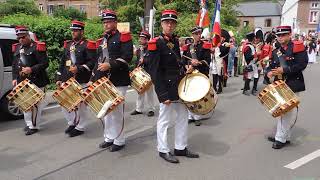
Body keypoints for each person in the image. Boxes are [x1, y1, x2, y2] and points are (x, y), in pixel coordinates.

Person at [148, 9, 199, 164]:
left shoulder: (175, 41)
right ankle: (163, 149)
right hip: (167, 88)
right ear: (162, 24)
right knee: (164, 120)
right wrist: (162, 95)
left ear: (175, 25)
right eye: (166, 22)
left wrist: (186, 68)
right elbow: (154, 71)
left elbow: (177, 63)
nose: (169, 25)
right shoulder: (155, 43)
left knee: (183, 117)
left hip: (179, 85)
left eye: (172, 22)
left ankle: (180, 147)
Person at [89, 9, 133, 152]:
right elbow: (98, 61)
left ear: (115, 22)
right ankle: (109, 137)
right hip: (103, 80)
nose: (106, 24)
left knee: (117, 112)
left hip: (119, 79)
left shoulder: (123, 37)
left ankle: (119, 140)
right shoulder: (101, 41)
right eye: (105, 22)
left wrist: (111, 64)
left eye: (109, 21)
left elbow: (128, 56)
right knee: (106, 111)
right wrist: (92, 79)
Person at [266, 26, 308, 149]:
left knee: (287, 112)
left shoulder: (297, 47)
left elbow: (301, 65)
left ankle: (280, 138)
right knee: (281, 111)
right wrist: (269, 72)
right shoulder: (276, 51)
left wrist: (284, 69)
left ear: (289, 35)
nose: (280, 37)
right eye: (278, 35)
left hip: (293, 83)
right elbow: (271, 65)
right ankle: (284, 136)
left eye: (283, 35)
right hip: (279, 84)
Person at [56, 20, 97, 137]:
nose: (73, 32)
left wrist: (79, 68)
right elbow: (63, 62)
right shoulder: (68, 45)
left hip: (81, 80)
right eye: (72, 30)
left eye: (76, 30)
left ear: (82, 32)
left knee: (80, 106)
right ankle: (72, 122)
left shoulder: (88, 45)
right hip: (67, 79)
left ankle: (80, 127)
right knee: (65, 104)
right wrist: (59, 77)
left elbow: (92, 63)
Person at [12, 26, 50, 135]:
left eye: (23, 37)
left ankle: (34, 126)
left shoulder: (37, 47)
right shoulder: (17, 47)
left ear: (28, 36)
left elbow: (45, 63)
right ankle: (29, 124)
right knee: (25, 104)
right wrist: (14, 78)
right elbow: (15, 65)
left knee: (35, 105)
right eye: (18, 38)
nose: (21, 40)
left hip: (36, 80)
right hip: (22, 80)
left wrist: (31, 69)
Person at [181, 26, 212, 126]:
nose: (198, 35)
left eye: (199, 33)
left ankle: (197, 116)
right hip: (190, 73)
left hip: (200, 73)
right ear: (193, 35)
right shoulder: (188, 47)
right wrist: (187, 66)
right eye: (196, 34)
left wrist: (197, 63)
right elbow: (183, 61)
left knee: (198, 96)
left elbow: (207, 61)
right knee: (189, 95)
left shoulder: (205, 46)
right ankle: (190, 115)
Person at [130, 31, 156, 117]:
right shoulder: (138, 50)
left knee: (149, 92)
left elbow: (153, 61)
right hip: (140, 74)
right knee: (140, 91)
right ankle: (139, 109)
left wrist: (144, 60)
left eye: (142, 39)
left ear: (147, 40)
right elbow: (137, 61)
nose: (140, 40)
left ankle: (151, 109)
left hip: (149, 74)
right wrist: (135, 69)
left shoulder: (151, 49)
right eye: (140, 38)